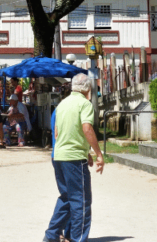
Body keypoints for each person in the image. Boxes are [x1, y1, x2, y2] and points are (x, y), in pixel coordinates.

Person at [44, 73, 104, 242]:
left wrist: (85, 152)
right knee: (82, 201)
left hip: (59, 156)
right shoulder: (84, 104)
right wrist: (98, 153)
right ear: (87, 89)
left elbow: (59, 132)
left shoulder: (62, 105)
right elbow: (86, 129)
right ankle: (78, 239)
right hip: (74, 159)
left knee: (66, 197)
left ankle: (51, 235)